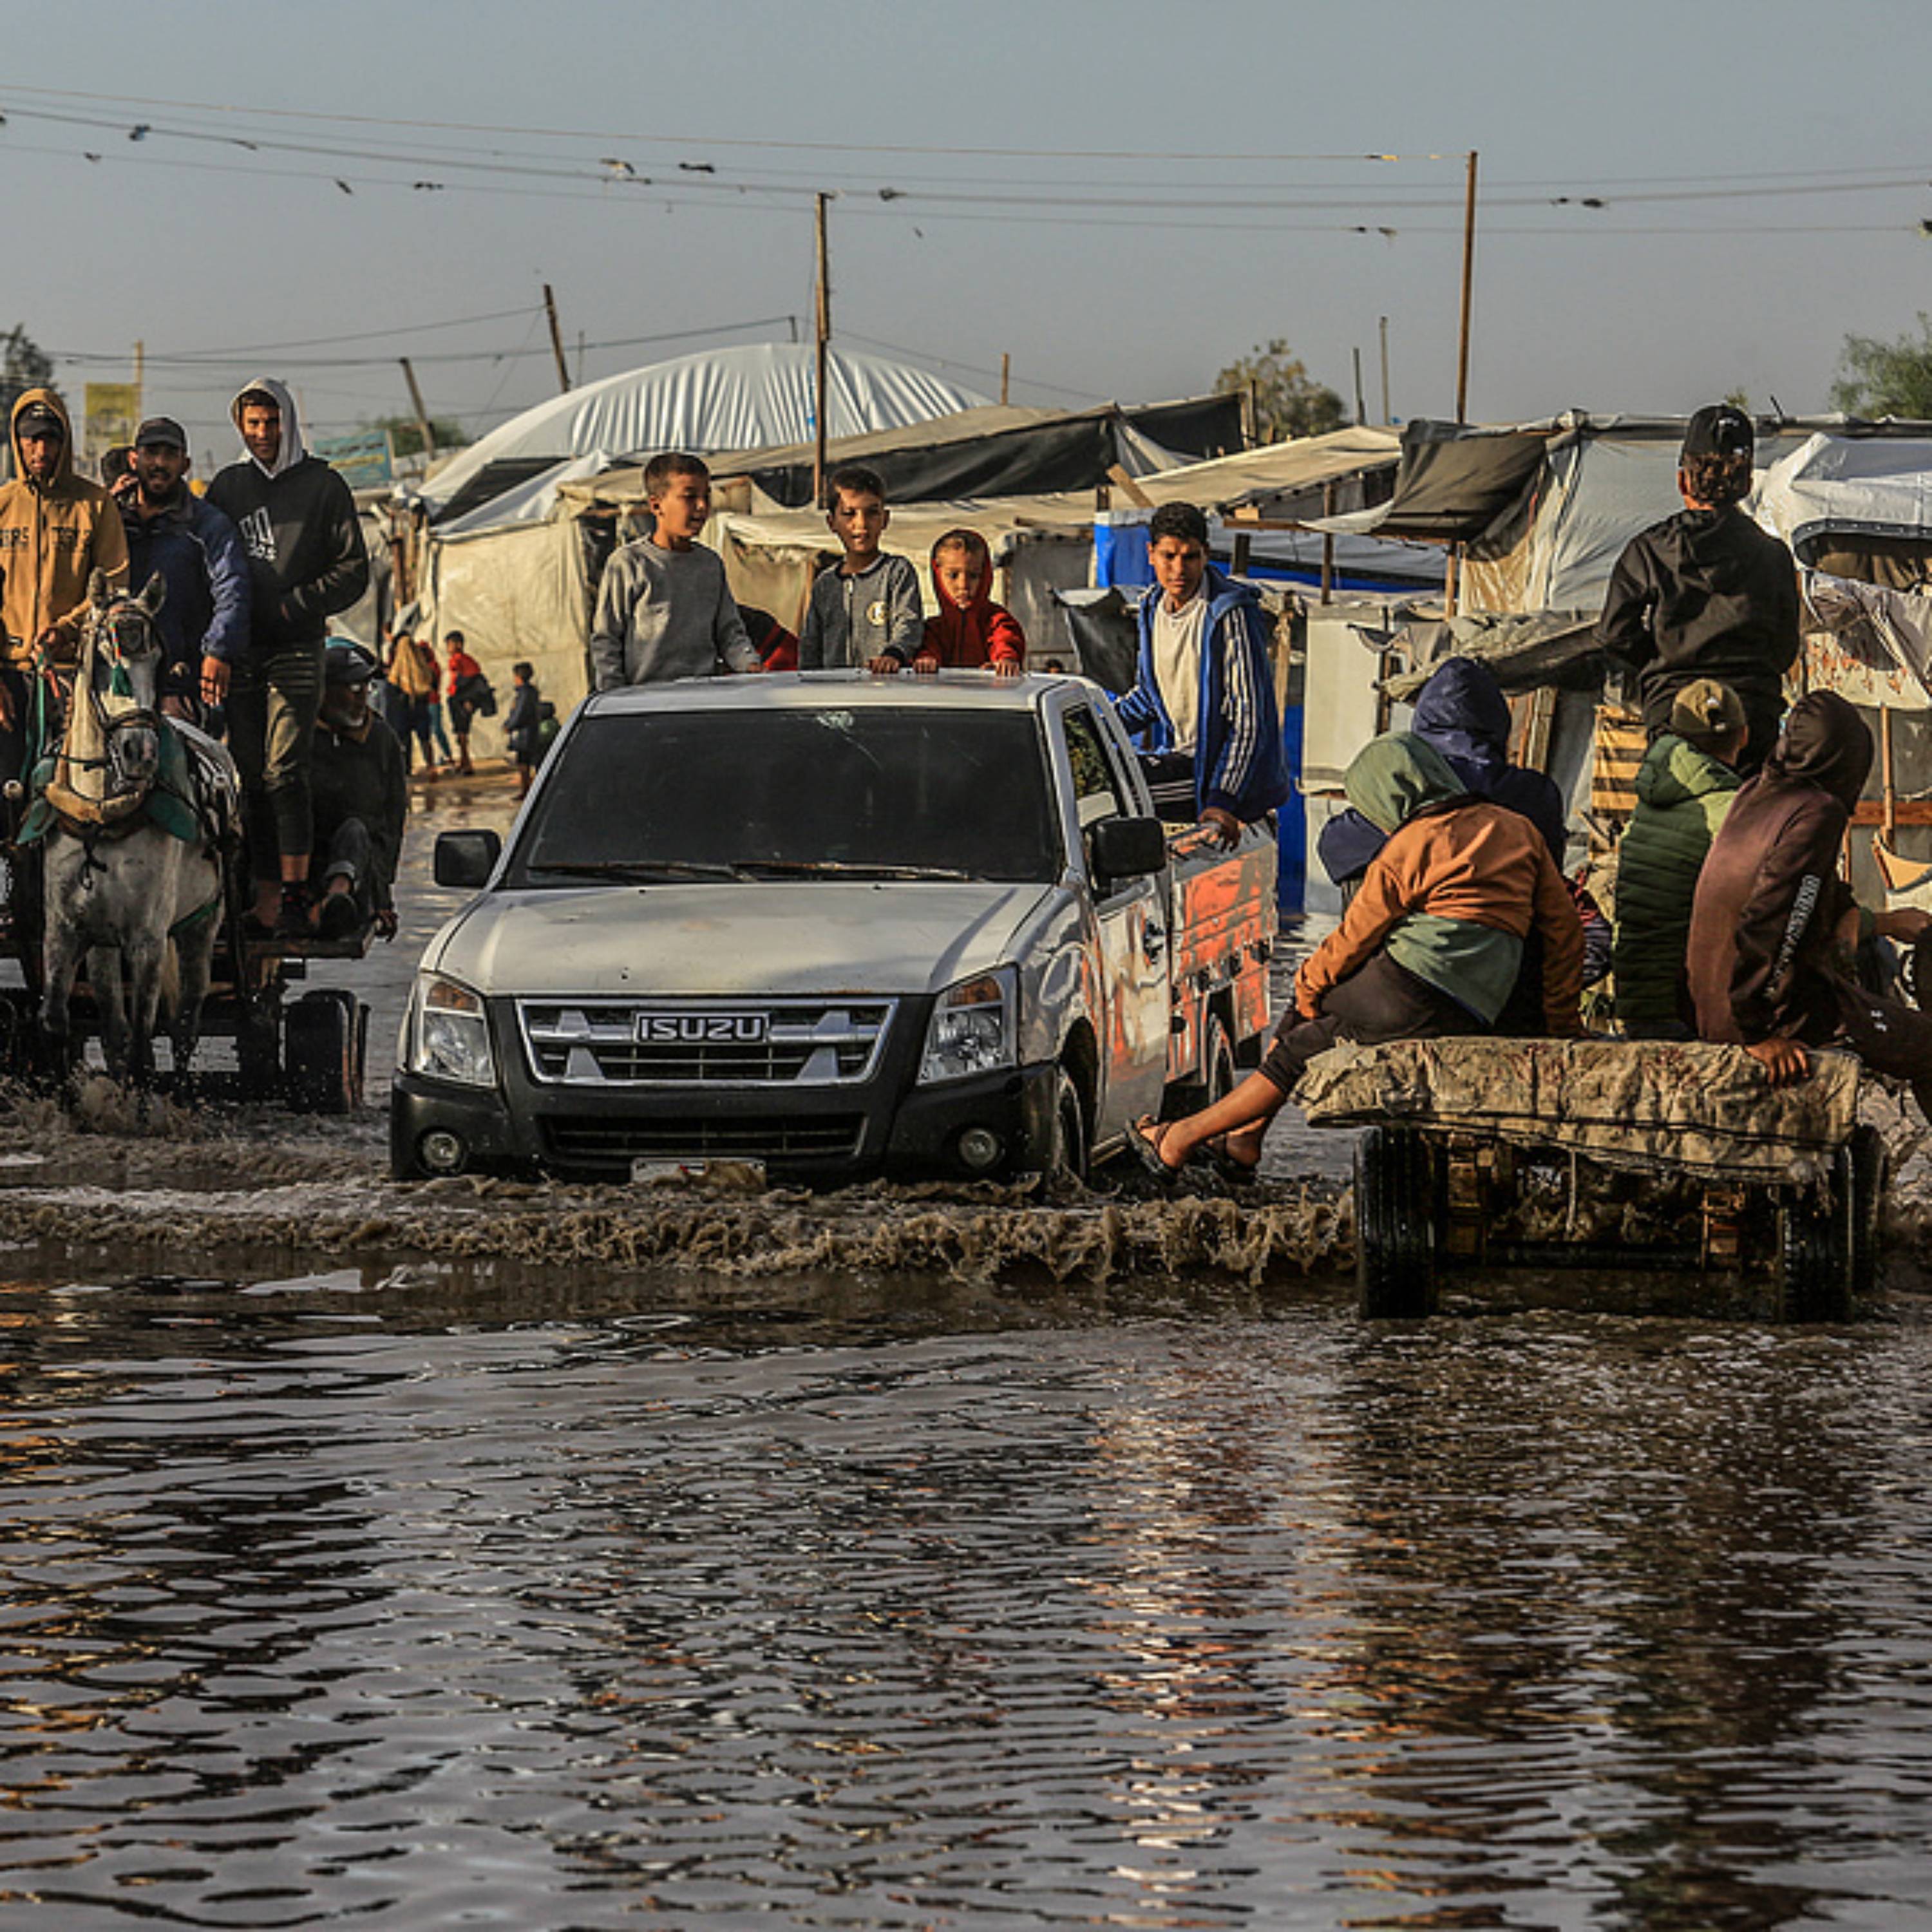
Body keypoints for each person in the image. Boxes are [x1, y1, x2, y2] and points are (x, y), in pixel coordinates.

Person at [1132, 732, 1584, 1178]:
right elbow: (1565, 932)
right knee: (1310, 1032)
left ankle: (1184, 1138)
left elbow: (1354, 938)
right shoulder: (1518, 828)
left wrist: (1308, 989)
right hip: (1481, 1002)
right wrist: (1562, 1025)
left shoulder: (1411, 844)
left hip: (1410, 984)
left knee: (1296, 1043)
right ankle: (1241, 1139)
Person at [1689, 689, 1932, 1114]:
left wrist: (1850, 913)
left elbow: (1813, 888)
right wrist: (1758, 1032)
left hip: (1710, 1006)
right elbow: (1773, 918)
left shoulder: (1756, 794)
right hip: (1769, 1015)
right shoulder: (1819, 812)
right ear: (1846, 759)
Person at [207, 377, 370, 936]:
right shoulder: (228, 487)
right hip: (241, 653)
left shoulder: (324, 486)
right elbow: (200, 551)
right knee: (249, 777)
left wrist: (296, 604)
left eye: (271, 423)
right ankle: (266, 899)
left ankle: (299, 894)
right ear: (240, 427)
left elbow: (355, 570)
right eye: (252, 425)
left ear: (290, 422)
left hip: (299, 649)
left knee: (285, 772)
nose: (262, 435)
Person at [1597, 403, 1799, 775]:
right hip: (1752, 722)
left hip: (1674, 713)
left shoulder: (1647, 550)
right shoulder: (1773, 556)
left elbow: (1614, 634)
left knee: (1674, 821)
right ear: (1748, 484)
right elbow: (1785, 648)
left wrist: (1663, 663)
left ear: (1683, 480)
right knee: (1746, 826)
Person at [1112, 500, 1289, 848]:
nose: (1179, 569)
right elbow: (1149, 698)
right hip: (1181, 760)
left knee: (1113, 795)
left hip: (1215, 776)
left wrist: (1222, 800)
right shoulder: (1151, 608)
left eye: (1190, 557)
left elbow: (1248, 719)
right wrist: (1093, 728)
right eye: (1169, 556)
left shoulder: (1229, 613)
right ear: (1151, 554)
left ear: (1206, 554)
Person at [1319, 654, 1565, 887]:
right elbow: (1553, 872)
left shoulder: (1406, 787)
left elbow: (1335, 848)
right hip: (1514, 923)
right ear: (1498, 721)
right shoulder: (1536, 793)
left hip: (1418, 924)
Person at [0, 389, 131, 785]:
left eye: (49, 439)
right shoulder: (3, 504)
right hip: (8, 675)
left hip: (75, 679)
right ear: (17, 442)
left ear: (64, 442)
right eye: (31, 438)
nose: (40, 449)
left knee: (78, 798)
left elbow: (114, 582)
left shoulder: (93, 505)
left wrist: (67, 629)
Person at [1612, 677, 1747, 1039]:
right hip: (1687, 1004)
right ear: (1745, 736)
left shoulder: (1649, 801)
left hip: (1635, 999)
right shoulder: (1734, 811)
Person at [116, 415, 251, 724]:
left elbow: (233, 590)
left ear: (185, 464)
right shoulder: (111, 520)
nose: (160, 464)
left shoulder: (207, 526)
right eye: (151, 453)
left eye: (170, 455)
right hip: (116, 680)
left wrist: (219, 651)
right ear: (133, 459)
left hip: (183, 682)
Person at [589, 452, 761, 688]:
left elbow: (729, 632)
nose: (702, 507)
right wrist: (614, 698)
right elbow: (607, 639)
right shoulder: (629, 564)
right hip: (645, 701)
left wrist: (750, 665)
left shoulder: (710, 565)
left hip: (701, 698)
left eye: (706, 497)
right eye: (689, 497)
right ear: (657, 505)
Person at [308, 641, 408, 942]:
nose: (362, 696)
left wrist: (383, 898)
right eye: (352, 687)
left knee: (355, 832)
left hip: (362, 868)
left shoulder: (382, 739)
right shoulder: (302, 738)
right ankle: (321, 904)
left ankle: (337, 898)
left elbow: (393, 820)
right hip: (310, 862)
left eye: (365, 686)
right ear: (324, 691)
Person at [797, 464, 923, 673]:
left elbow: (909, 625)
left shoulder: (897, 573)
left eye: (872, 513)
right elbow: (811, 647)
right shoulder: (825, 585)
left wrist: (893, 655)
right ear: (832, 522)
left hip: (886, 694)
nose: (861, 524)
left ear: (885, 519)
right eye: (849, 514)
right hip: (835, 697)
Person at [914, 528, 1025, 676]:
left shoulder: (997, 621)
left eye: (973, 576)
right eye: (953, 575)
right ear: (938, 576)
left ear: (985, 576)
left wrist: (1005, 661)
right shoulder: (933, 630)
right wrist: (926, 661)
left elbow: (1005, 641)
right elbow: (927, 650)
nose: (963, 585)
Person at [383, 632, 438, 776]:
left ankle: (404, 770)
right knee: (425, 741)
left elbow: (390, 695)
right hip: (421, 710)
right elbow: (432, 685)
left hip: (402, 713)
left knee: (403, 742)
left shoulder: (395, 675)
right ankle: (431, 767)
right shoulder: (424, 670)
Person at [443, 629, 491, 774]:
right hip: (461, 699)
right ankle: (464, 761)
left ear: (458, 645)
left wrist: (467, 699)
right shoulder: (468, 660)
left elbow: (467, 681)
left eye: (450, 644)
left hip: (461, 700)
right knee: (461, 732)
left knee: (462, 732)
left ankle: (467, 764)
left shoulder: (459, 660)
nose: (448, 648)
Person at [504, 660, 541, 795]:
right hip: (530, 731)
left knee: (524, 763)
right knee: (527, 761)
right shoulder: (531, 692)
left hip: (525, 733)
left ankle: (527, 790)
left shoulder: (524, 694)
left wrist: (510, 725)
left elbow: (520, 713)